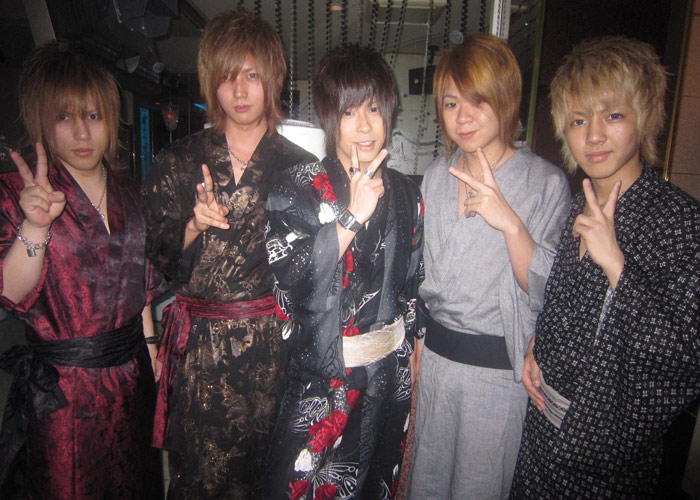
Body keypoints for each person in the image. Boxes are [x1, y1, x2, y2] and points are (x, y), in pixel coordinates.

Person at [511, 36, 700, 499]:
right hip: (540, 439)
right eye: (579, 120)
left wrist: (616, 265)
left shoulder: (679, 220)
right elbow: (565, 307)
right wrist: (538, 346)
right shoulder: (579, 205)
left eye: (613, 115)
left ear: (644, 116)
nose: (593, 136)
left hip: (605, 463)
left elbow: (685, 359)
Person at [142, 7, 316, 499]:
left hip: (271, 350)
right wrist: (193, 225)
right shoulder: (178, 161)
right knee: (199, 478)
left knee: (267, 478)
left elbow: (313, 275)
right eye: (227, 77)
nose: (240, 91)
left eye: (253, 75)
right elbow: (155, 259)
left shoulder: (302, 168)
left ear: (273, 79)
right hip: (200, 353)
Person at [0, 40, 166, 499]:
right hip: (65, 390)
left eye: (92, 116)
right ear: (44, 123)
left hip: (130, 377)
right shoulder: (21, 193)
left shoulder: (132, 193)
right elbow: (11, 292)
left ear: (111, 120)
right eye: (64, 117)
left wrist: (151, 345)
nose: (81, 132)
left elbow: (139, 282)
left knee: (136, 484)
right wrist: (35, 226)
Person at [408, 33, 571, 499]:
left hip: (498, 376)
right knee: (426, 486)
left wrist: (511, 224)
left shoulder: (545, 183)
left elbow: (551, 293)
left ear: (506, 98)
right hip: (436, 363)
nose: (463, 117)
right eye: (451, 103)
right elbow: (419, 275)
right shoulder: (436, 177)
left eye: (477, 101)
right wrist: (418, 342)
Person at [263, 44, 423, 499]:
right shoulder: (296, 186)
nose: (365, 126)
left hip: (389, 378)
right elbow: (289, 279)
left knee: (376, 486)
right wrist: (351, 217)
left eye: (373, 109)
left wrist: (414, 350)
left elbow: (412, 283)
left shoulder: (408, 193)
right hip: (324, 383)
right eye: (349, 112)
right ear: (329, 116)